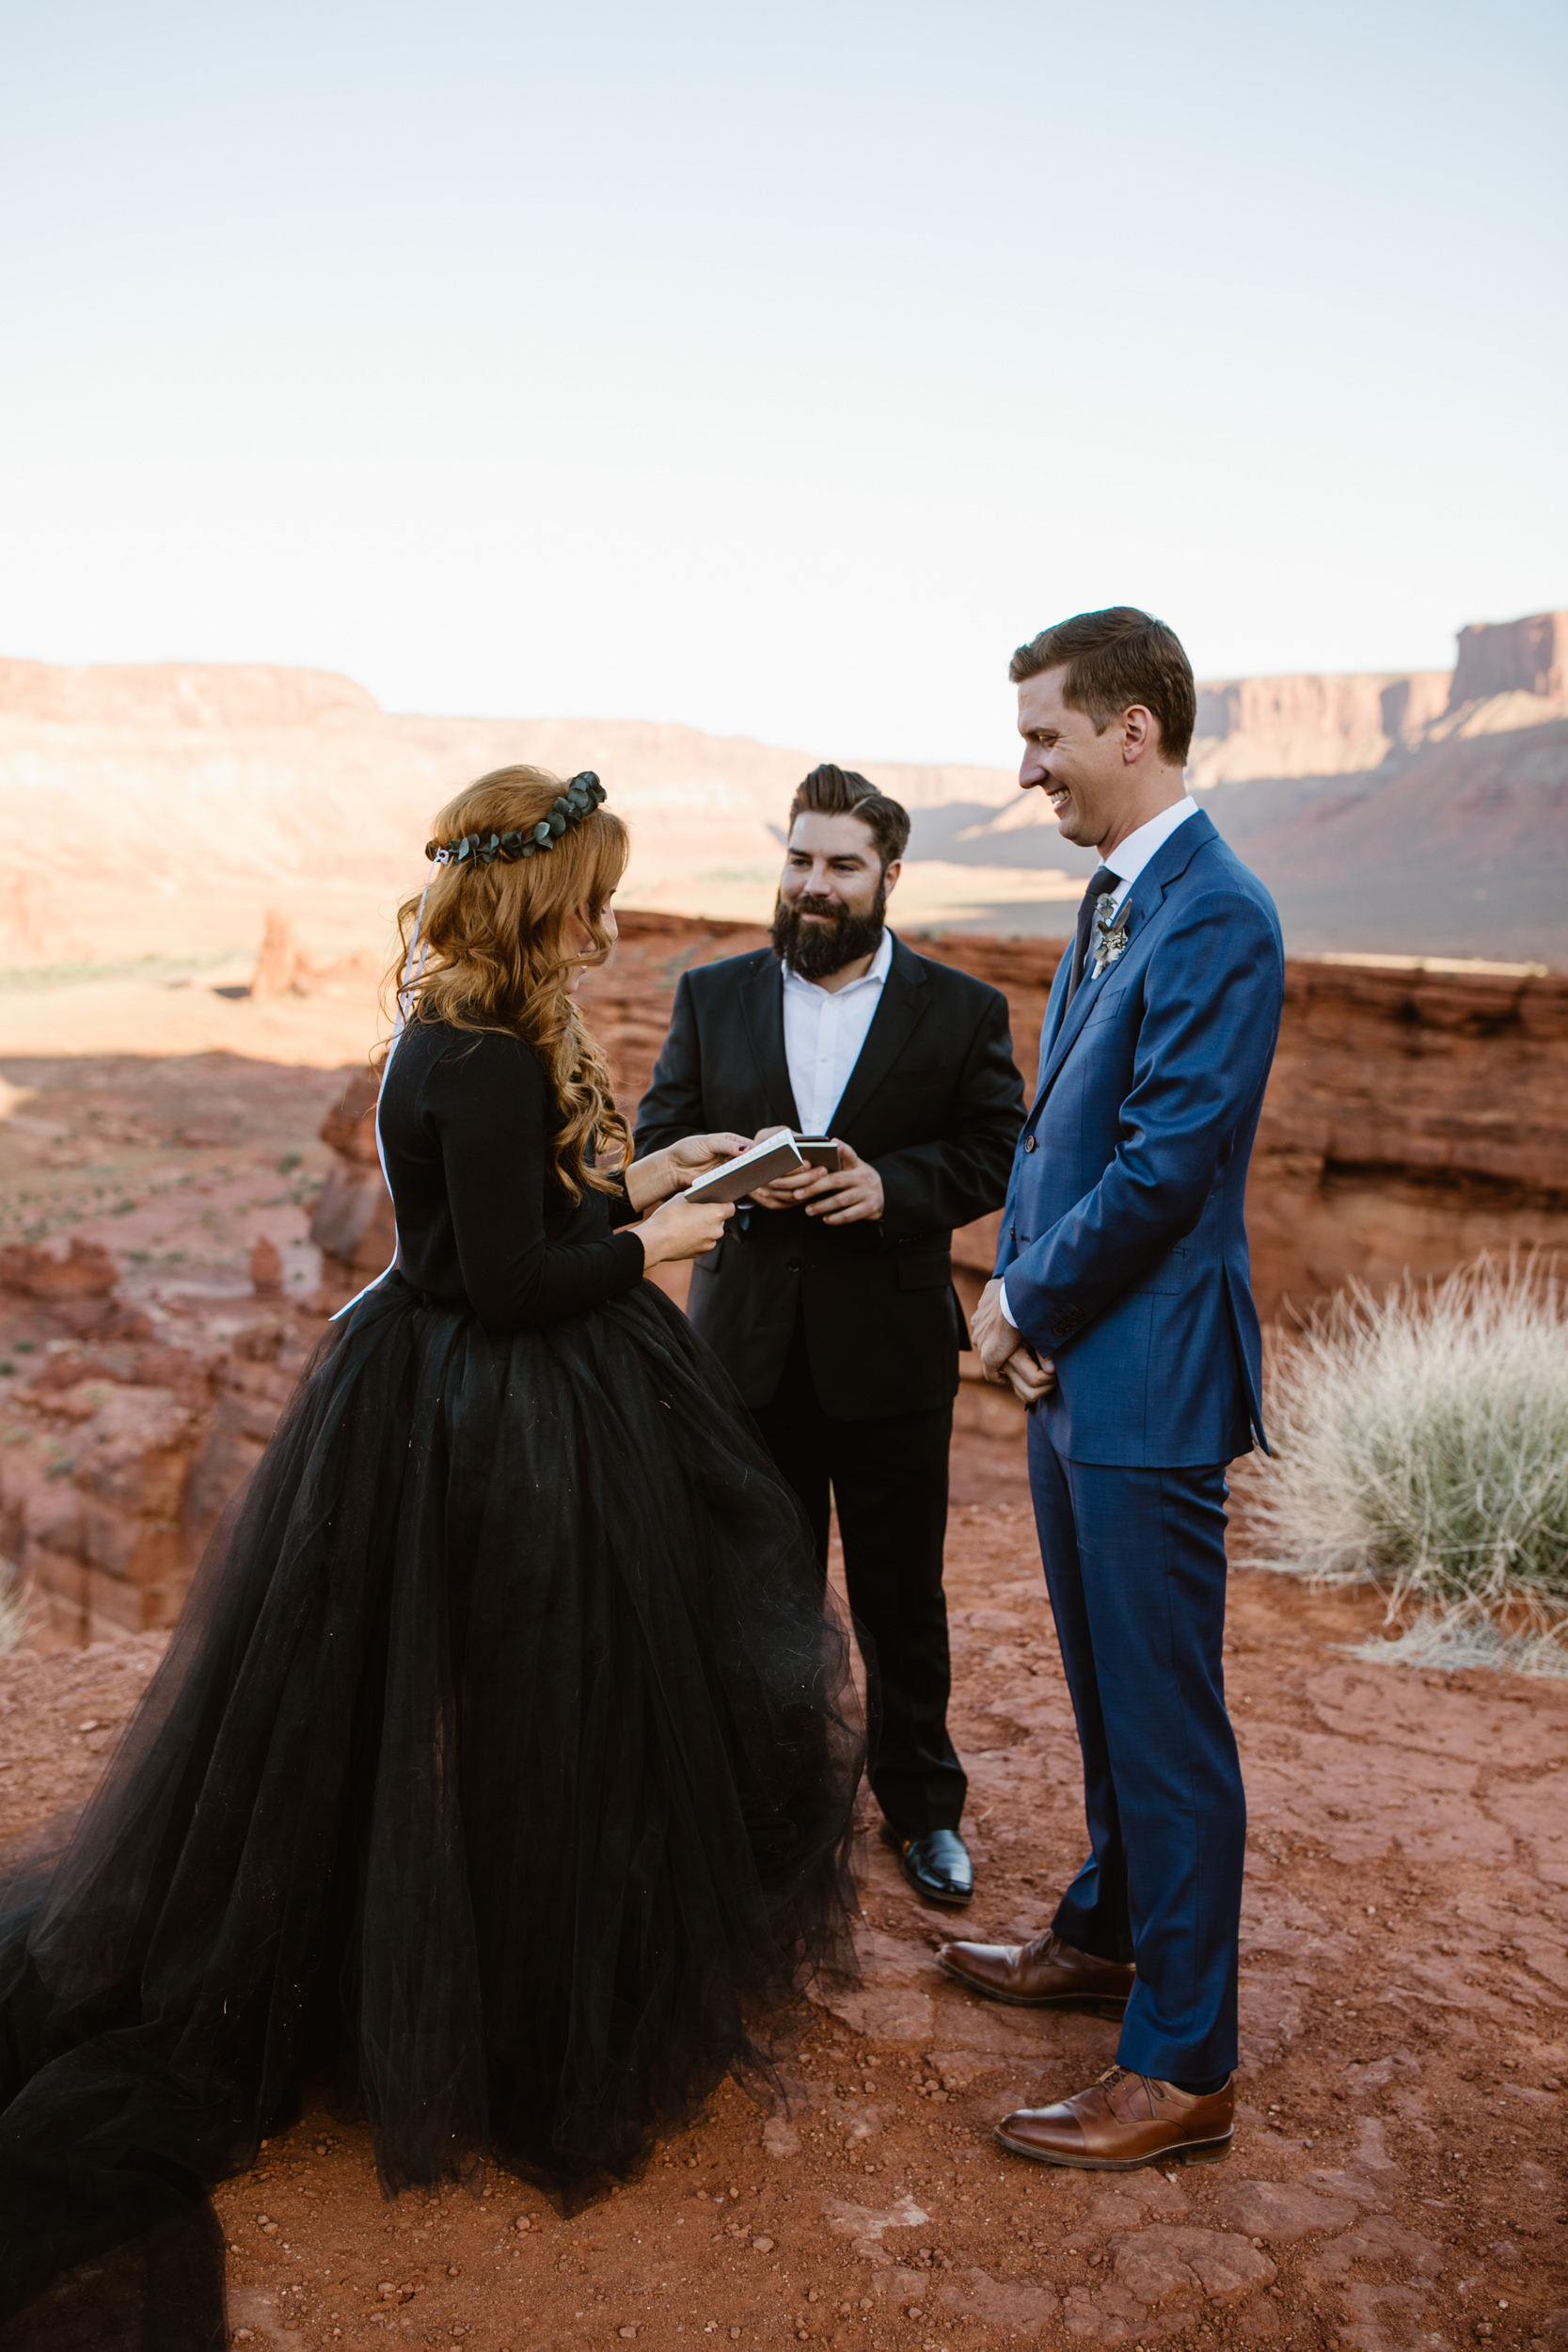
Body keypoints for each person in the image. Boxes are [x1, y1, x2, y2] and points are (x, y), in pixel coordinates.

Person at [0, 769, 863, 2348]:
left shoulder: (483, 1035)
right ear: (535, 901)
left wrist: (662, 1173)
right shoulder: (468, 1053)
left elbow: (516, 1215)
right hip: (484, 1413)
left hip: (490, 1391)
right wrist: (654, 1247)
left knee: (490, 1702)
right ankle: (480, 2018)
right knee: (501, 1698)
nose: (603, 922)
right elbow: (509, 1281)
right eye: (587, 895)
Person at [940, 609, 1285, 2171]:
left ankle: (1182, 2061)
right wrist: (1028, 1312)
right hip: (1080, 1368)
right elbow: (1054, 1136)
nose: (1027, 771)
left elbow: (1162, 1165)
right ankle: (1105, 1926)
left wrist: (1016, 1295)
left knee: (1167, 1721)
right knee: (1102, 1688)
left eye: (1045, 738)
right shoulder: (1110, 900)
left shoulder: (1216, 915)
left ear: (1131, 729)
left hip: (1143, 1375)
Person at [635, 764, 1022, 1909]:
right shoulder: (712, 994)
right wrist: (729, 1166)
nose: (812, 885)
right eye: (798, 860)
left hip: (891, 1353)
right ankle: (777, 1807)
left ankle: (921, 1812)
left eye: (840, 865)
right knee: (764, 1591)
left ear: (887, 876)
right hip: (745, 1348)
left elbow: (997, 1147)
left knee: (904, 1595)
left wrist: (890, 1189)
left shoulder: (960, 1010)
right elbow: (661, 1127)